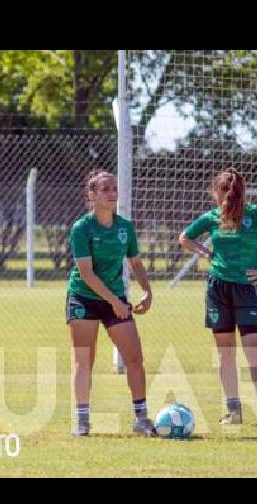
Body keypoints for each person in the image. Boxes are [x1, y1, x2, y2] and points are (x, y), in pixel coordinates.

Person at [179, 167, 257, 427]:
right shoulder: (212, 217)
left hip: (247, 289)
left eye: (233, 192)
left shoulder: (256, 214)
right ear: (216, 193)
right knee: (225, 352)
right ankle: (233, 411)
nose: (229, 196)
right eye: (226, 191)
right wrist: (205, 253)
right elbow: (184, 238)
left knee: (254, 350)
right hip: (218, 289)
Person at [66, 170, 155, 437]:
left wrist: (147, 291)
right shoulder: (82, 228)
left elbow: (135, 262)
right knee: (84, 360)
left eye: (114, 188)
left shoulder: (124, 227)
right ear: (91, 195)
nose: (112, 193)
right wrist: (115, 301)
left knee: (135, 358)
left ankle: (141, 420)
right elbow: (86, 273)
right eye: (105, 189)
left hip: (116, 299)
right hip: (84, 297)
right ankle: (82, 422)